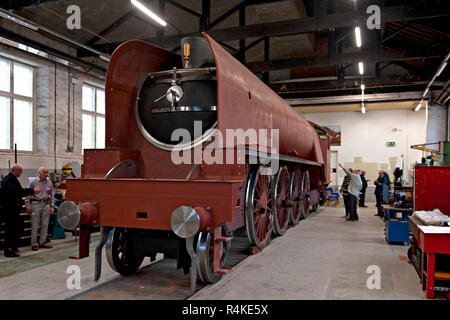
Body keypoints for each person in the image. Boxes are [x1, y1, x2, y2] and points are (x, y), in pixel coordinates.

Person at [0, 164, 39, 257]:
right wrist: (32, 191)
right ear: (16, 170)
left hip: (13, 209)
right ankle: (8, 249)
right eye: (20, 171)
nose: (21, 173)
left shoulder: (11, 179)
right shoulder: (9, 180)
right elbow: (17, 192)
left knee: (15, 228)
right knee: (10, 230)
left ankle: (13, 246)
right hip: (10, 210)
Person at [25, 167, 55, 251]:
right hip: (35, 204)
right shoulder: (33, 182)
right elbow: (27, 195)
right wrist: (28, 206)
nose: (46, 174)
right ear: (39, 173)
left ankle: (42, 242)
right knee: (35, 224)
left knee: (45, 224)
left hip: (46, 204)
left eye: (47, 172)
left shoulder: (49, 183)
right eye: (44, 172)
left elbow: (52, 195)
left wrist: (52, 206)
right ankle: (34, 243)